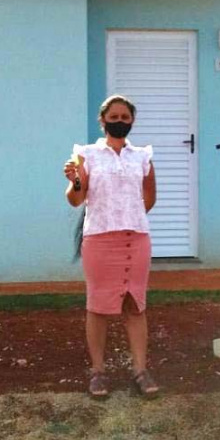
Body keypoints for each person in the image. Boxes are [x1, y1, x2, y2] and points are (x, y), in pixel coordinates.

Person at [64, 94, 159, 399]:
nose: (119, 122)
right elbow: (76, 198)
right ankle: (97, 372)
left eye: (125, 118)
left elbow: (149, 197)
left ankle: (140, 371)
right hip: (100, 239)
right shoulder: (86, 155)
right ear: (102, 120)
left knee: (135, 305)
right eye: (114, 117)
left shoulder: (142, 156)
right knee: (99, 307)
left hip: (136, 238)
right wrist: (76, 181)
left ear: (132, 121)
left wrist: (127, 212)